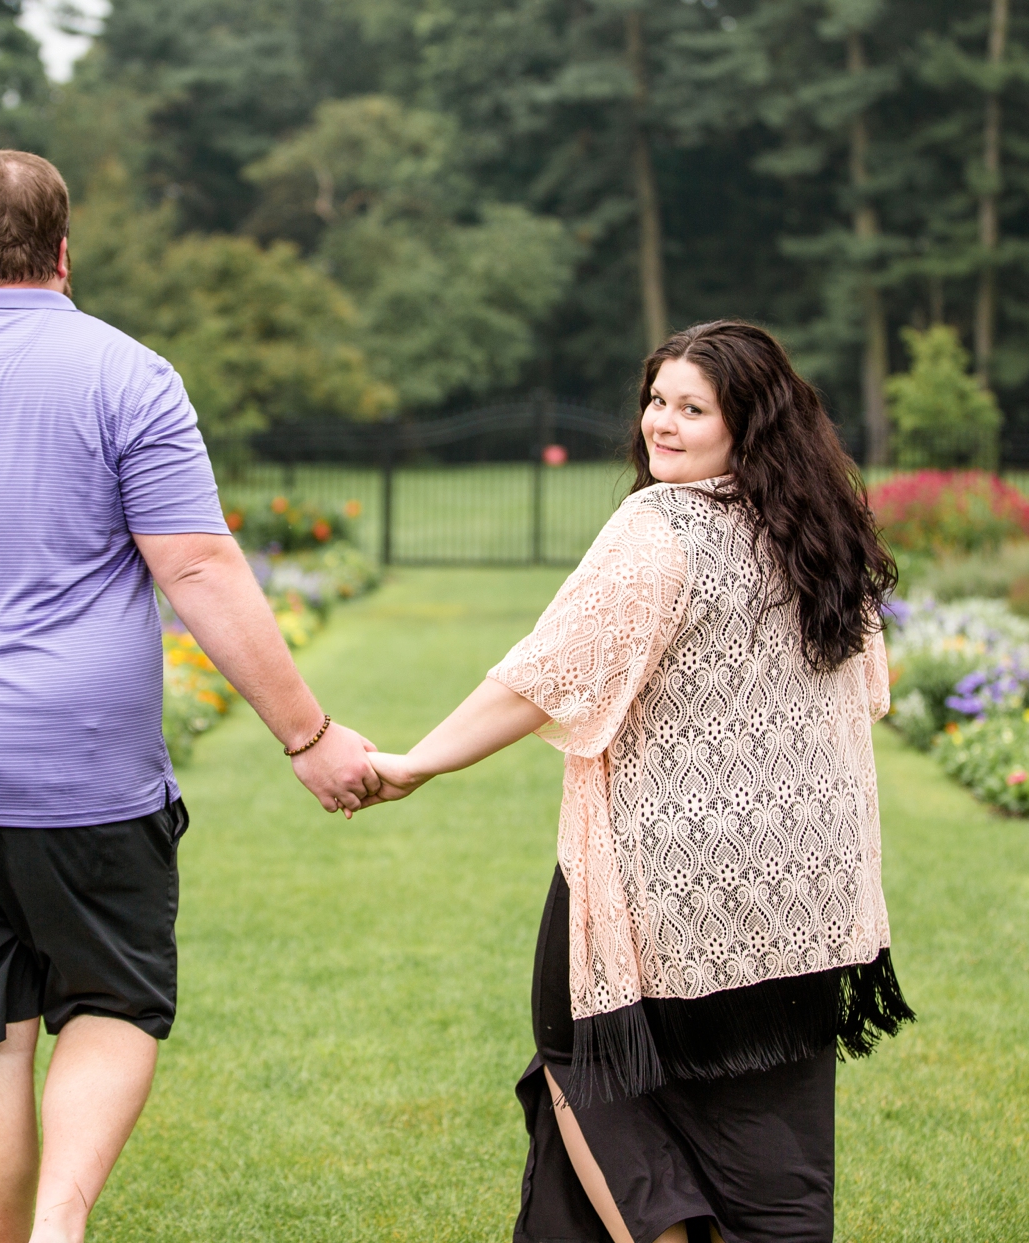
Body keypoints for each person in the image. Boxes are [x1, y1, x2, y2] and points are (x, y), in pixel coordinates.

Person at [0, 149, 380, 1243]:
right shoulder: (127, 374)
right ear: (64, 249)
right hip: (86, 779)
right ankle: (61, 1221)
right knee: (110, 1003)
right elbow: (196, 566)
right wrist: (309, 735)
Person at [361, 320, 914, 1243]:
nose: (662, 422)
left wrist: (417, 762)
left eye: (692, 408)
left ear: (752, 423)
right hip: (807, 893)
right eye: (657, 400)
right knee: (777, 1134)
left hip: (667, 887)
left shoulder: (658, 530)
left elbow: (543, 676)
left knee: (581, 1053)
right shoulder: (825, 530)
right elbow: (869, 693)